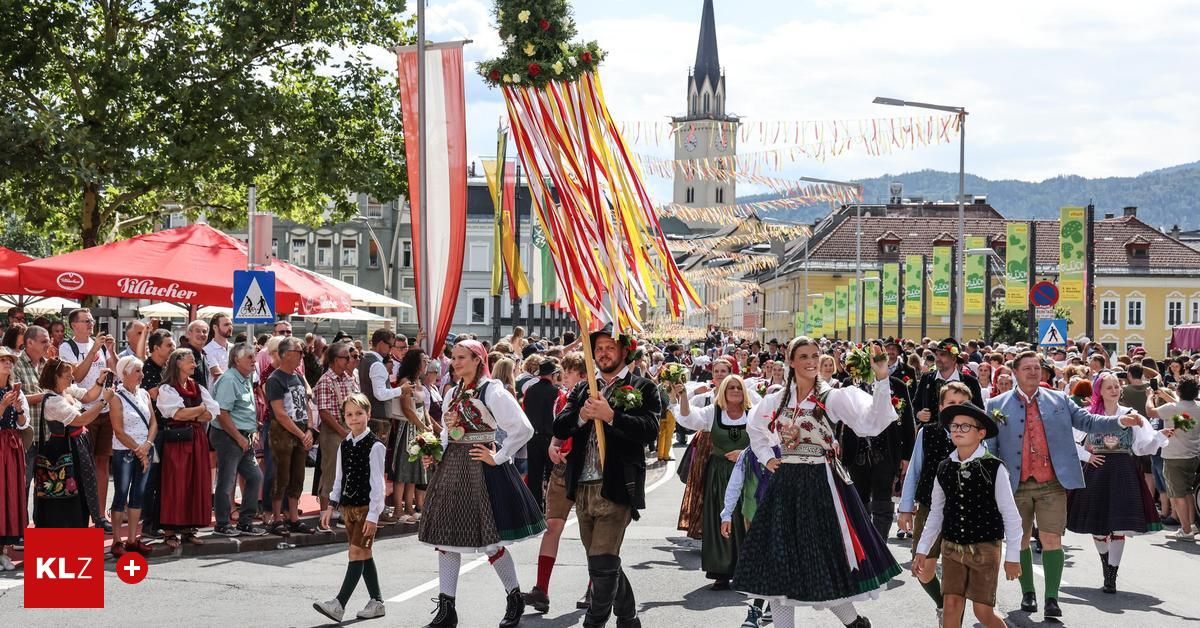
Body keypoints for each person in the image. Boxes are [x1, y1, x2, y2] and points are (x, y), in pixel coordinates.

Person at [736, 338, 901, 628]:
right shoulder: (778, 399)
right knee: (778, 560)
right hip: (786, 483)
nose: (811, 361)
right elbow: (755, 429)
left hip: (821, 483)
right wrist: (766, 457)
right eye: (803, 356)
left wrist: (882, 379)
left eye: (815, 355)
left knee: (823, 559)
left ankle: (855, 623)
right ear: (791, 361)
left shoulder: (832, 397)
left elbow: (872, 422)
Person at [985, 350, 1148, 619]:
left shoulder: (1058, 399)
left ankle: (1051, 598)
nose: (1033, 372)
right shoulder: (996, 405)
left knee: (1052, 539)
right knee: (1021, 539)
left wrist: (1119, 420)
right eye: (1027, 368)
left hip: (1052, 482)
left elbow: (1088, 421)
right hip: (1014, 483)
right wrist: (991, 483)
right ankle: (1028, 593)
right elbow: (991, 448)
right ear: (1015, 372)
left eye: (1037, 367)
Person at [420, 339, 545, 628]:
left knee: (491, 541)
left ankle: (514, 598)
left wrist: (498, 456)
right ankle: (447, 608)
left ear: (478, 359)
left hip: (481, 467)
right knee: (446, 539)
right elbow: (449, 433)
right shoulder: (452, 391)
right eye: (454, 357)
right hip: (452, 468)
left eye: (462, 357)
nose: (456, 362)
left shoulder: (493, 390)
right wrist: (435, 455)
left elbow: (523, 428)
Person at [552, 325, 660, 628]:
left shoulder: (642, 387)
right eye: (598, 348)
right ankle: (628, 617)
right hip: (582, 486)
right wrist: (583, 416)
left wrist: (612, 416)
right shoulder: (584, 387)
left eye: (609, 347)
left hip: (616, 485)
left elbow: (650, 430)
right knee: (603, 563)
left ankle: (594, 622)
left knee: (601, 561)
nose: (603, 353)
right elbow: (560, 427)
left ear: (624, 351)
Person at [913, 403, 1022, 628]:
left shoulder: (994, 468)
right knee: (951, 605)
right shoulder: (944, 467)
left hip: (985, 548)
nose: (958, 430)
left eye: (965, 426)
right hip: (951, 548)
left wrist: (1013, 556)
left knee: (983, 612)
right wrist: (923, 549)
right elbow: (935, 514)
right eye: (954, 426)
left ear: (981, 433)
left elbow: (1011, 515)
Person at [1067, 371, 1168, 593]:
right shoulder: (1088, 414)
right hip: (1096, 470)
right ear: (1099, 391)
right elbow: (1068, 441)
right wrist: (1087, 456)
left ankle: (1112, 573)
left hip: (1123, 469)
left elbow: (1142, 446)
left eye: (1117, 386)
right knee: (1098, 526)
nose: (1114, 389)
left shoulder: (1131, 415)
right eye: (1109, 387)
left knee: (1118, 525)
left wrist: (1161, 437)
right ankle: (1105, 562)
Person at [671, 373, 752, 590]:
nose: (735, 391)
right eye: (730, 387)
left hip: (748, 473)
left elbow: (767, 439)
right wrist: (683, 396)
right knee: (720, 520)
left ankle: (747, 570)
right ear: (723, 391)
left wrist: (745, 453)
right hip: (719, 474)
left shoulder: (752, 414)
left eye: (738, 388)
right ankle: (721, 571)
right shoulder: (713, 413)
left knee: (745, 520)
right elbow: (688, 418)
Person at [524, 351, 590, 614]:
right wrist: (555, 445)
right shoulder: (562, 396)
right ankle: (541, 588)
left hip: (586, 469)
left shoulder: (594, 396)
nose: (564, 377)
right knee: (552, 525)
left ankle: (594, 587)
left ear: (583, 375)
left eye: (570, 372)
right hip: (562, 467)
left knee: (592, 534)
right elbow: (559, 428)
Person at [313, 393, 388, 622]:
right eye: (349, 414)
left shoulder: (375, 446)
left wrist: (374, 515)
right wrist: (331, 506)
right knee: (363, 554)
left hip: (366, 509)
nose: (354, 418)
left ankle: (339, 604)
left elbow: (378, 484)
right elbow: (339, 478)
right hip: (348, 508)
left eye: (359, 413)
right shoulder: (344, 444)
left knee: (355, 553)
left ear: (368, 414)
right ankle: (377, 601)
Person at [837, 347, 916, 540]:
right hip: (857, 452)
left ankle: (880, 544)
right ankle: (864, 544)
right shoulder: (849, 384)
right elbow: (840, 420)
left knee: (882, 499)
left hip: (886, 451)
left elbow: (907, 423)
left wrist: (906, 456)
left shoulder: (897, 385)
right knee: (860, 498)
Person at [34, 358, 114, 528]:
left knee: (80, 492)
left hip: (77, 445)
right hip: (64, 449)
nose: (71, 379)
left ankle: (79, 534)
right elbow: (80, 419)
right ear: (55, 377)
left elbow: (87, 395)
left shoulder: (65, 391)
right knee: (68, 494)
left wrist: (100, 381)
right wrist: (104, 402)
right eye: (67, 376)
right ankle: (64, 543)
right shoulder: (52, 401)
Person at [58, 308, 116, 532]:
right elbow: (77, 376)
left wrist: (109, 350)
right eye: (86, 321)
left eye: (91, 320)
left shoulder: (100, 344)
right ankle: (83, 514)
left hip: (105, 408)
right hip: (83, 411)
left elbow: (113, 371)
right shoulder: (67, 347)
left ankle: (100, 515)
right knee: (84, 466)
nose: (91, 323)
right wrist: (94, 348)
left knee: (102, 463)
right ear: (74, 325)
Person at [156, 348, 219, 548]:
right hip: (177, 441)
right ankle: (170, 531)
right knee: (176, 483)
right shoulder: (168, 389)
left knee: (195, 482)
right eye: (190, 361)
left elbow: (211, 413)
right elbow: (176, 414)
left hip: (196, 438)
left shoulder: (197, 387)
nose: (194, 364)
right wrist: (199, 410)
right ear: (178, 363)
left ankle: (188, 529)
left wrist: (192, 413)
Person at [211, 343, 268, 537]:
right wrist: (238, 437)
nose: (254, 361)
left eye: (254, 357)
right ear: (237, 360)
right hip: (229, 436)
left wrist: (252, 427)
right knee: (227, 481)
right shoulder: (229, 379)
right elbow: (222, 413)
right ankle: (222, 523)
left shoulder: (245, 377)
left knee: (254, 476)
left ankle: (245, 522)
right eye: (250, 357)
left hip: (243, 435)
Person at [266, 336, 315, 535]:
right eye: (299, 352)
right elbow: (280, 413)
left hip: (301, 430)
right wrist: (301, 433)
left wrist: (310, 430)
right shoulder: (275, 379)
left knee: (298, 476)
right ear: (286, 354)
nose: (302, 355)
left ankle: (293, 517)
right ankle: (277, 518)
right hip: (283, 432)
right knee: (281, 476)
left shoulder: (298, 376)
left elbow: (306, 405)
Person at [108, 355, 156, 557]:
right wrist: (139, 451)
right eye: (137, 371)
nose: (141, 375)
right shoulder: (116, 397)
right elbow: (118, 430)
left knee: (138, 494)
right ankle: (117, 539)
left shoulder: (144, 394)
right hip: (125, 450)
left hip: (144, 448)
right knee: (120, 494)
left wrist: (147, 445)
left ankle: (132, 539)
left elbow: (153, 422)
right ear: (125, 373)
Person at [313, 341, 359, 531]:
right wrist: (342, 432)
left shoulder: (348, 379)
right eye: (345, 357)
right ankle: (324, 516)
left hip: (350, 429)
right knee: (331, 472)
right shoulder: (326, 380)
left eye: (350, 357)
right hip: (334, 431)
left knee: (349, 473)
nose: (350, 360)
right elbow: (324, 412)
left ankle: (341, 511)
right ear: (333, 360)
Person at [1147, 374, 1200, 539]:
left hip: (1174, 457)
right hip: (1192, 456)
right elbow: (1181, 409)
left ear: (1179, 390)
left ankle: (1185, 530)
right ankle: (1191, 525)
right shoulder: (1196, 406)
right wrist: (1164, 395)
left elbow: (1151, 411)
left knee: (1177, 496)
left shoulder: (1173, 408)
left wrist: (1149, 396)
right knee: (1187, 491)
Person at [139, 329, 176, 540]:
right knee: (152, 478)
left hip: (166, 428)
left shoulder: (167, 368)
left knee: (163, 478)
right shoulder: (148, 368)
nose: (172, 349)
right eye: (168, 345)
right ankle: (149, 523)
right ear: (156, 348)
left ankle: (159, 521)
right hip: (153, 431)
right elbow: (155, 394)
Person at [912, 340, 984, 439]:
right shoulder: (927, 378)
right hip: (929, 436)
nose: (937, 358)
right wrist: (919, 414)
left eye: (942, 355)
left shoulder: (970, 382)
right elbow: (916, 404)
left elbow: (979, 410)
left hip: (960, 436)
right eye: (936, 355)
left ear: (954, 358)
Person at [393, 347, 432, 524]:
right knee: (403, 469)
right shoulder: (405, 381)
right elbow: (407, 409)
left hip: (419, 428)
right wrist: (424, 426)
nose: (427, 364)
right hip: (407, 429)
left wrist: (429, 425)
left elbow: (423, 408)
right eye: (424, 360)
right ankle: (398, 510)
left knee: (414, 470)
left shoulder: (419, 383)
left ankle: (409, 507)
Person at [13, 326, 48, 517]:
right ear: (29, 343)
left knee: (44, 485)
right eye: (44, 341)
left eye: (48, 340)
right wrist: (46, 396)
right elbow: (17, 398)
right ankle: (20, 530)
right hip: (26, 436)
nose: (48, 344)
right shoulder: (16, 366)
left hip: (47, 434)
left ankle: (39, 528)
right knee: (24, 483)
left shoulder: (48, 364)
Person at [0, 348, 30, 570]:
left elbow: (23, 425)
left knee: (10, 494)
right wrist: (2, 406)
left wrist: (19, 410)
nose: (7, 364)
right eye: (2, 360)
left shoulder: (14, 390)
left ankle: (3, 551)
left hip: (11, 445)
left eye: (9, 360)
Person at [522, 358, 561, 510]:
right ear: (552, 375)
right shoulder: (556, 392)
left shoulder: (529, 391)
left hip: (533, 438)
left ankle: (535, 508)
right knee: (552, 474)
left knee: (534, 475)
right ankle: (551, 507)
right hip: (550, 438)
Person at [204, 313, 234, 390]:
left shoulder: (234, 348)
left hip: (234, 395)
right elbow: (217, 374)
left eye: (231, 324)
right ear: (215, 327)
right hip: (217, 397)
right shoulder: (207, 350)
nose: (230, 327)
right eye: (226, 325)